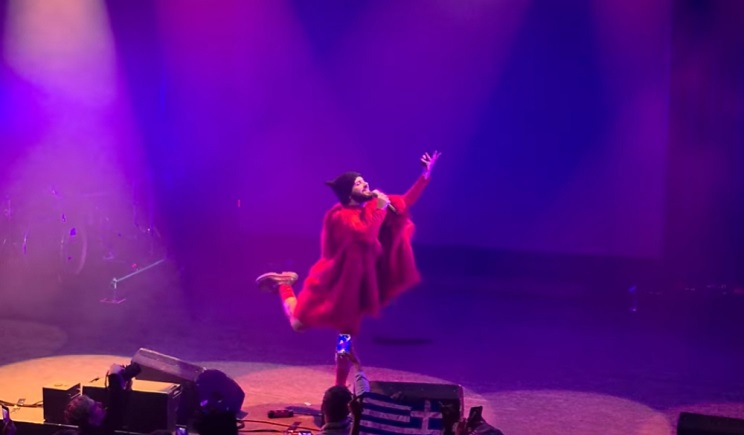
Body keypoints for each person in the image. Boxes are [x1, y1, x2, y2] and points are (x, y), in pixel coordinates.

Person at [256, 151, 441, 385]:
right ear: (348, 192)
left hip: (355, 287)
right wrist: (380, 209)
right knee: (298, 324)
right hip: (332, 284)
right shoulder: (340, 216)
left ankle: (339, 388)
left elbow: (405, 202)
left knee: (345, 339)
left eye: (364, 180)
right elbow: (364, 236)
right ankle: (285, 285)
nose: (365, 184)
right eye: (358, 182)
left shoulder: (371, 207)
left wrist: (425, 175)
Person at [319, 348, 369, 435]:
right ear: (350, 410)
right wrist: (357, 365)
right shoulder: (361, 429)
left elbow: (363, 396)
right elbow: (363, 395)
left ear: (322, 408)